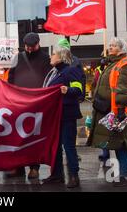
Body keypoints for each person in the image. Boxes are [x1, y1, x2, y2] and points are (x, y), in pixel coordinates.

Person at [89, 38, 127, 187]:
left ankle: (126, 176)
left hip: (119, 112)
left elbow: (124, 90)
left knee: (121, 143)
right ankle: (124, 174)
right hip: (110, 111)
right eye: (109, 46)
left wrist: (120, 110)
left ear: (121, 49)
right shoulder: (113, 63)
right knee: (117, 142)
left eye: (113, 46)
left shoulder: (124, 65)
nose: (110, 48)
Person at [7, 32, 52, 179]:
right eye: (27, 47)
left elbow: (48, 79)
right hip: (19, 101)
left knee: (34, 136)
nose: (30, 49)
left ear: (38, 44)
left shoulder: (46, 58)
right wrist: (11, 94)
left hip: (37, 102)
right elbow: (11, 77)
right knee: (18, 135)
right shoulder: (17, 57)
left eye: (32, 46)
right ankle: (18, 166)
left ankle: (34, 167)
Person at [41, 44, 84, 188]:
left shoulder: (71, 70)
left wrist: (68, 90)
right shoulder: (54, 72)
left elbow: (78, 90)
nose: (50, 56)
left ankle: (74, 176)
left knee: (69, 146)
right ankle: (57, 175)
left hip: (66, 115)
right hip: (55, 116)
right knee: (56, 146)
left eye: (53, 54)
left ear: (61, 56)